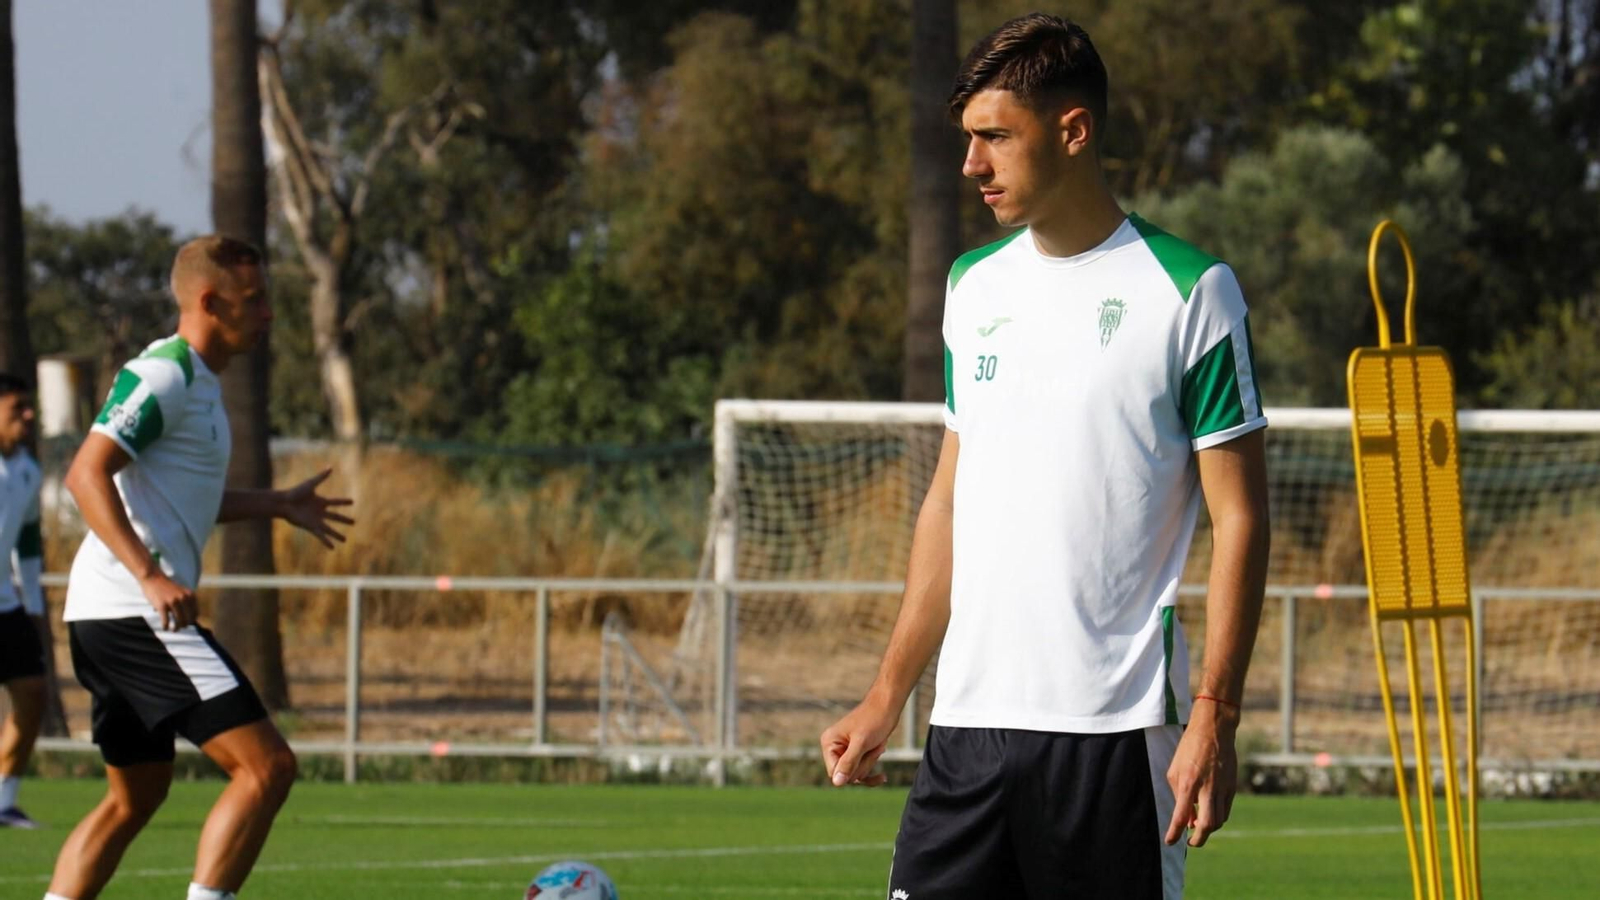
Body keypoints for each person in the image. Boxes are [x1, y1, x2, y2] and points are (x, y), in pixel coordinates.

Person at [820, 13, 1270, 899]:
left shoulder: (1192, 293)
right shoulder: (971, 288)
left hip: (1117, 734)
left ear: (1073, 130)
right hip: (966, 729)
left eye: (995, 137)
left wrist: (1215, 715)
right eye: (968, 139)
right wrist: (887, 693)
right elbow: (949, 503)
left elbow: (1242, 518)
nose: (971, 164)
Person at [44, 236, 354, 900]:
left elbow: (181, 499)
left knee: (135, 797)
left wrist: (276, 504)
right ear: (211, 302)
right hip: (134, 611)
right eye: (256, 298)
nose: (268, 312)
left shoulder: (201, 385)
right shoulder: (165, 375)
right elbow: (85, 473)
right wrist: (150, 576)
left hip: (108, 616)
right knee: (267, 767)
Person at [0, 373, 47, 829]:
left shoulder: (29, 471)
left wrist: (32, 603)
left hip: (7, 605)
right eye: (18, 408)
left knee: (32, 693)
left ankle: (3, 800)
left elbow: (28, 542)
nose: (29, 416)